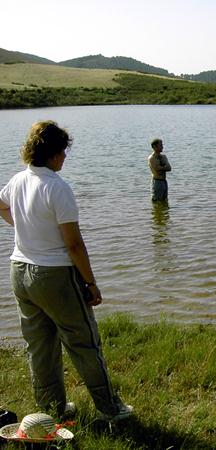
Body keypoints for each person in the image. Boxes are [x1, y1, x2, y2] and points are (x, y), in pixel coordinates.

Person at [0, 121, 132, 421]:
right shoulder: (57, 187)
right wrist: (91, 283)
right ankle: (110, 408)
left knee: (39, 345)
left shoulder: (19, 179)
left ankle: (52, 409)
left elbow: (2, 205)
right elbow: (73, 244)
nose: (65, 157)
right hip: (54, 275)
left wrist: (25, 227)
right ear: (52, 154)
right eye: (62, 152)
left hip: (19, 271)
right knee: (84, 342)